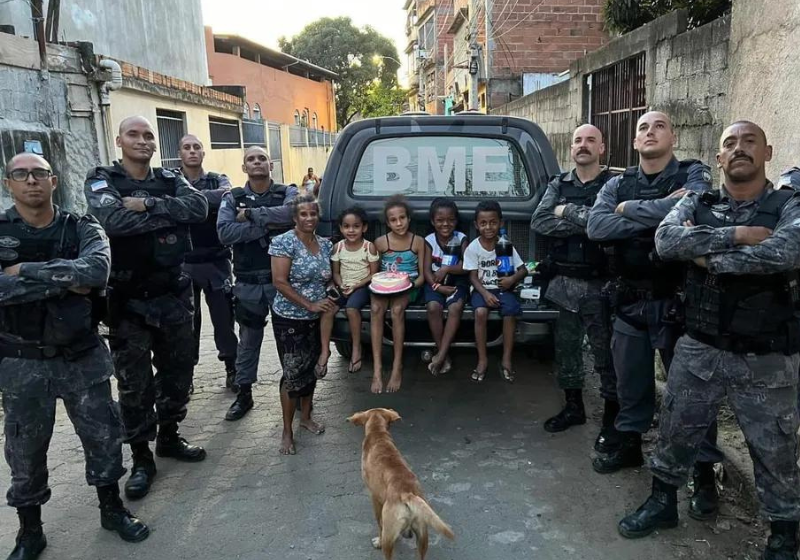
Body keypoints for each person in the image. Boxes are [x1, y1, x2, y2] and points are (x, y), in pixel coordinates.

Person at [619, 121, 800, 560]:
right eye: (729, 144)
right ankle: (663, 503)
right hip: (700, 347)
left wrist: (704, 257)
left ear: (768, 152)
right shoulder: (699, 201)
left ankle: (783, 535)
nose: (739, 149)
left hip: (766, 356)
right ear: (719, 158)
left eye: (749, 142)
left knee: (775, 449)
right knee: (677, 428)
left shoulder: (789, 205)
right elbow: (665, 241)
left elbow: (786, 252)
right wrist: (736, 236)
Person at [2, 153, 149, 560]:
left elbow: (95, 274)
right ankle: (30, 531)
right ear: (8, 182)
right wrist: (66, 279)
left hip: (81, 355)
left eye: (40, 174)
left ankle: (112, 509)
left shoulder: (82, 226)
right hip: (21, 360)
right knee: (24, 449)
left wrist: (24, 271)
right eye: (21, 174)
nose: (31, 181)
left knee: (103, 438)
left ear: (53, 181)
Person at [586, 112, 724, 507]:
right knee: (632, 385)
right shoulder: (617, 183)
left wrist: (627, 211)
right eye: (643, 128)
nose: (650, 132)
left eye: (659, 126)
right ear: (633, 142)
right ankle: (630, 444)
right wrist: (663, 213)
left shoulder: (693, 174)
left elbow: (694, 214)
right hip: (630, 300)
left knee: (693, 394)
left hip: (680, 301)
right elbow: (597, 227)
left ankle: (703, 472)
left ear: (673, 136)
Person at [84, 116, 209, 502]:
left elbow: (200, 208)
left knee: (178, 373)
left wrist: (149, 204)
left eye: (148, 135)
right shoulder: (102, 177)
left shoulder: (169, 179)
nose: (142, 140)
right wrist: (166, 215)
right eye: (134, 135)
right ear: (119, 140)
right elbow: (114, 220)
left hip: (172, 296)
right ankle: (141, 458)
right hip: (128, 301)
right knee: (134, 386)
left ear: (156, 144)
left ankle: (168, 437)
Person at [530, 124, 617, 446]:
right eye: (578, 140)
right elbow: (540, 221)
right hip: (563, 282)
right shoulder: (558, 183)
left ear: (601, 148)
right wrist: (590, 221)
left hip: (601, 283)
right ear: (571, 149)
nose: (583, 145)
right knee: (567, 352)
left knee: (605, 355)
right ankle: (573, 407)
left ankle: (612, 419)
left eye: (591, 140)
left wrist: (567, 212)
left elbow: (612, 226)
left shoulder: (614, 184)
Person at [217, 146, 297, 421]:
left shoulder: (287, 192)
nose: (257, 162)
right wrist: (267, 225)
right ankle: (244, 395)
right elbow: (225, 233)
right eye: (251, 159)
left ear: (270, 165)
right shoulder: (234, 197)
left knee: (287, 341)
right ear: (244, 168)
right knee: (249, 342)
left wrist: (251, 215)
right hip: (248, 282)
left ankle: (294, 393)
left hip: (282, 282)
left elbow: (293, 215)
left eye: (262, 158)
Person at [269, 194, 332, 455]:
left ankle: (306, 417)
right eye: (303, 214)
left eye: (313, 214)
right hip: (289, 318)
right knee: (292, 374)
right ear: (295, 217)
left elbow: (329, 277)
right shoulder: (283, 242)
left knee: (312, 369)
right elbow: (280, 282)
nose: (309, 218)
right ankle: (287, 430)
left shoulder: (326, 244)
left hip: (317, 319)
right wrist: (309, 304)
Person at [178, 134, 238, 390]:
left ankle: (232, 368)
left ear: (203, 153)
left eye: (197, 147)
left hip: (216, 261)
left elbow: (226, 195)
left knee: (224, 321)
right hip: (184, 264)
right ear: (180, 153)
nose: (192, 151)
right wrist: (203, 199)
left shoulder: (217, 178)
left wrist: (187, 200)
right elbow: (167, 203)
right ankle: (186, 376)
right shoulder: (170, 178)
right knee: (186, 325)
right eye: (187, 147)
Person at [464, 200, 527, 383]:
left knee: (509, 313)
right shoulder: (473, 248)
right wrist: (485, 294)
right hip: (482, 289)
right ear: (477, 225)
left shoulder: (505, 245)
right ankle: (482, 359)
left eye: (493, 222)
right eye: (483, 223)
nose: (488, 227)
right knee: (480, 312)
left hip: (503, 288)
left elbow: (523, 269)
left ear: (500, 223)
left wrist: (511, 280)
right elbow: (473, 277)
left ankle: (506, 358)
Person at [370, 195, 425, 394]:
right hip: (384, 287)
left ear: (409, 218)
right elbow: (374, 273)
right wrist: (385, 284)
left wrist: (408, 286)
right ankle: (377, 369)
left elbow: (421, 276)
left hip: (407, 287)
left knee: (397, 310)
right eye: (393, 220)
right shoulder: (380, 243)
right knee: (376, 309)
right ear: (387, 222)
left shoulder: (417, 242)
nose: (399, 223)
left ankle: (397, 366)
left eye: (402, 218)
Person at [323, 206, 380, 374]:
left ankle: (356, 348)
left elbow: (374, 273)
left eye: (356, 226)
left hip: (362, 287)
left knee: (351, 309)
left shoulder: (369, 247)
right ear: (340, 228)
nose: (351, 230)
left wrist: (355, 286)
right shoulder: (338, 248)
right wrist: (341, 285)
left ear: (364, 228)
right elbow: (336, 272)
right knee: (327, 309)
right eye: (346, 226)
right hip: (343, 286)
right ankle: (325, 350)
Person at [423, 198, 469, 376]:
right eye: (440, 220)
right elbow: (426, 270)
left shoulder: (461, 238)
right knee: (433, 307)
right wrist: (436, 286)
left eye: (450, 220)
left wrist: (448, 268)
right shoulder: (429, 240)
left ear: (456, 221)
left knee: (455, 307)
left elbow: (467, 265)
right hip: (434, 282)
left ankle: (440, 355)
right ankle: (443, 352)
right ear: (433, 221)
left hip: (457, 281)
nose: (445, 224)